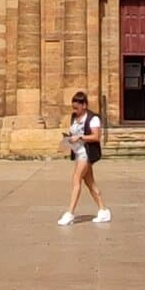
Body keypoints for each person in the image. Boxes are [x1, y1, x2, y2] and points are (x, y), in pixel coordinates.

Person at [58, 92, 110, 226]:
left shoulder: (93, 118)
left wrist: (80, 137)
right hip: (77, 152)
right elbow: (73, 134)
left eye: (77, 108)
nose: (74, 110)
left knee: (76, 179)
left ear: (84, 105)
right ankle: (103, 210)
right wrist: (67, 141)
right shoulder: (74, 117)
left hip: (86, 153)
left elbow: (95, 137)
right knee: (90, 183)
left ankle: (70, 213)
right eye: (73, 108)